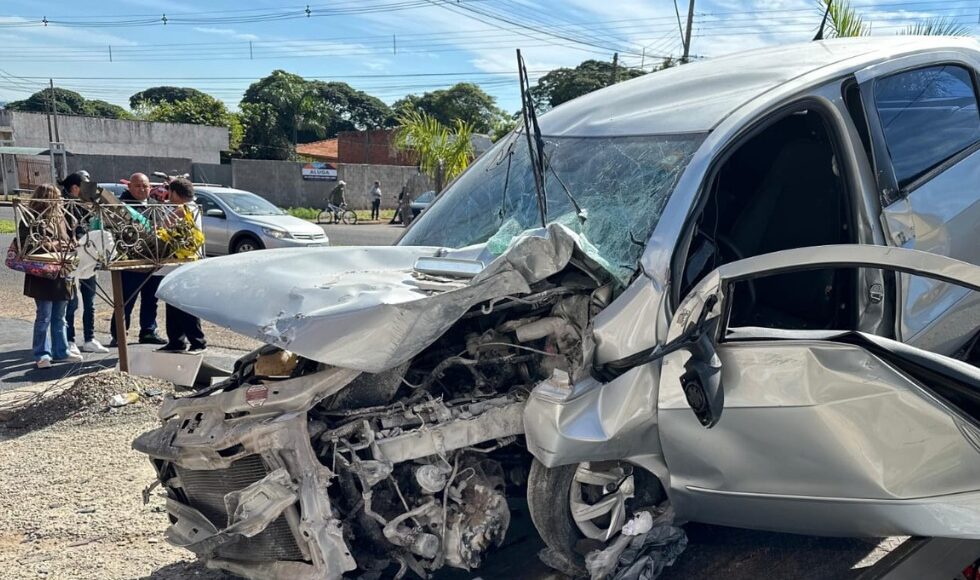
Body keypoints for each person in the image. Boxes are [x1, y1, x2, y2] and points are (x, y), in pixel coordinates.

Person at [21, 184, 84, 368]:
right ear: (45, 199)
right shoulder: (30, 218)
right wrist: (57, 245)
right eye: (56, 197)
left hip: (61, 272)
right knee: (44, 316)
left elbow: (67, 241)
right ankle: (42, 354)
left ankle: (61, 350)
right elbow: (28, 244)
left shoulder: (61, 218)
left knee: (60, 316)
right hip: (42, 274)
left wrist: (70, 244)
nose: (60, 200)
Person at [109, 172, 166, 347]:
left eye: (145, 186)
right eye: (138, 186)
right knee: (126, 300)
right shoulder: (121, 205)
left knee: (151, 298)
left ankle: (148, 331)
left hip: (153, 260)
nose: (142, 189)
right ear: (130, 187)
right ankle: (119, 334)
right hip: (131, 261)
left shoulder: (155, 205)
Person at [61, 171, 109, 354]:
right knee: (71, 302)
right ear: (75, 188)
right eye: (86, 187)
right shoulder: (62, 205)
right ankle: (70, 340)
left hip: (89, 258)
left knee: (90, 301)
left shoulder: (87, 205)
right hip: (71, 259)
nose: (90, 191)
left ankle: (89, 338)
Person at [158, 178, 207, 353]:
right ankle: (176, 340)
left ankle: (197, 341)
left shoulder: (183, 209)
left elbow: (162, 226)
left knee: (184, 305)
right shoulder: (192, 207)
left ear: (175, 194)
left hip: (183, 264)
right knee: (172, 305)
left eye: (170, 193)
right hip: (178, 264)